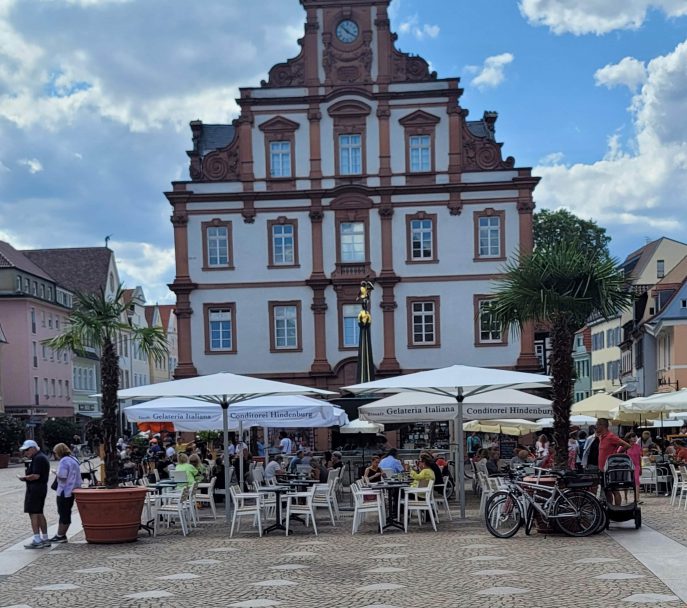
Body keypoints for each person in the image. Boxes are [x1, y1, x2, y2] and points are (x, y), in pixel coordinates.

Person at [18, 440, 51, 549]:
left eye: (27, 450)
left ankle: (37, 539)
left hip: (36, 489)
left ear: (33, 448)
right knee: (39, 512)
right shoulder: (40, 457)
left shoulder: (38, 458)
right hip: (40, 488)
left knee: (33, 513)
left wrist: (24, 478)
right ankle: (45, 538)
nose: (25, 453)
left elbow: (36, 475)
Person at [49, 443, 82, 544]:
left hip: (64, 490)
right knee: (66, 511)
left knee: (63, 512)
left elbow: (63, 476)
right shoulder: (73, 459)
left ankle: (61, 535)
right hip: (73, 490)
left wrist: (54, 472)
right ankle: (60, 534)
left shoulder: (64, 461)